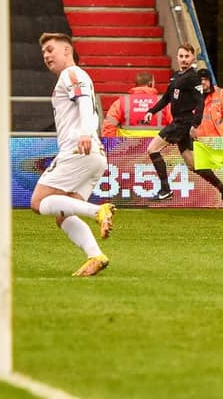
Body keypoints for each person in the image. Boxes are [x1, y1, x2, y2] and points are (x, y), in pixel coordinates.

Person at [31, 33, 115, 277]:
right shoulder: (74, 76)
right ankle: (95, 256)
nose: (46, 55)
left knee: (38, 202)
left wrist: (86, 133)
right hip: (94, 156)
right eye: (44, 52)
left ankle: (97, 211)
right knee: (63, 215)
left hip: (79, 150)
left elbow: (85, 104)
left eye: (50, 49)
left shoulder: (71, 74)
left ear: (67, 51)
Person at [142, 44, 223, 206]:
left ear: (192, 58)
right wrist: (151, 111)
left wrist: (195, 124)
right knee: (192, 164)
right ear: (177, 57)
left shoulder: (193, 78)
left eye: (187, 56)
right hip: (179, 122)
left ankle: (165, 189)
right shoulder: (176, 76)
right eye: (181, 56)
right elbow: (166, 98)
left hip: (182, 122)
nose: (183, 60)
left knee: (152, 149)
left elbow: (200, 103)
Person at [101, 71, 173, 137]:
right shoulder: (164, 103)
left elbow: (108, 126)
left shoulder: (121, 102)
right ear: (150, 83)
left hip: (126, 148)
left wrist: (111, 147)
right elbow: (176, 125)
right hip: (157, 149)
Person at [196, 68, 223, 158]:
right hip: (198, 146)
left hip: (217, 147)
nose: (203, 82)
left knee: (216, 172)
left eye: (206, 79)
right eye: (200, 80)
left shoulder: (222, 98)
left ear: (210, 80)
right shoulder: (192, 98)